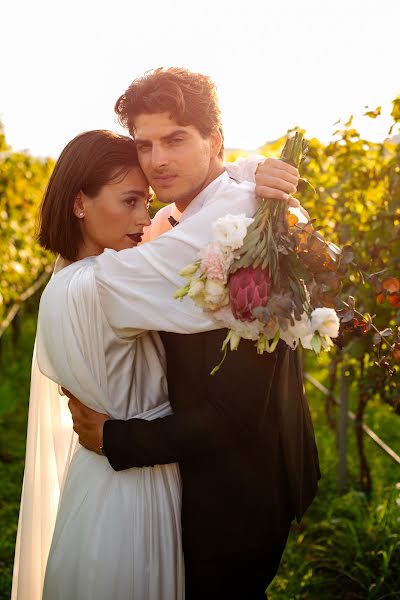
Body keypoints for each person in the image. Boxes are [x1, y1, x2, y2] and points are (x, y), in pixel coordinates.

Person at [66, 67, 320, 600]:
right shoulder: (168, 228)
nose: (158, 160)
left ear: (216, 141)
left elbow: (237, 411)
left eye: (176, 139)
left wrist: (113, 439)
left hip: (236, 504)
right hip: (189, 489)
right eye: (146, 144)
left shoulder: (254, 230)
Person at [11, 130, 296, 598]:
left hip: (92, 486)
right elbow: (215, 267)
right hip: (138, 491)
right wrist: (250, 178)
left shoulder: (63, 284)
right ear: (79, 203)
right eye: (129, 202)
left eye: (145, 202)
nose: (145, 219)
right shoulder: (109, 285)